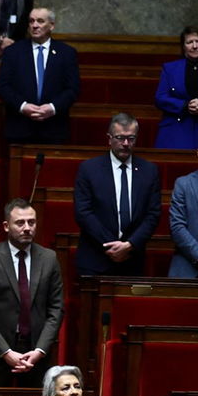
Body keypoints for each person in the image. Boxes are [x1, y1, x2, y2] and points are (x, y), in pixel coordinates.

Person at [0, 199, 63, 386]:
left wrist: (39, 351)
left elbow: (56, 309)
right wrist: (6, 352)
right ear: (6, 226)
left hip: (37, 354)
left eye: (31, 222)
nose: (27, 228)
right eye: (20, 223)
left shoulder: (49, 258)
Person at [73, 112, 162, 278]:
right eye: (120, 138)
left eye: (131, 138)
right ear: (109, 138)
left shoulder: (149, 171)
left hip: (133, 260)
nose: (126, 143)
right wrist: (113, 246)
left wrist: (129, 245)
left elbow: (153, 214)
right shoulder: (89, 169)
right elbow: (83, 212)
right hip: (95, 259)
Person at [0, 7, 79, 146]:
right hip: (19, 128)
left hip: (54, 128)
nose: (35, 25)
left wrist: (52, 108)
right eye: (31, 21)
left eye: (40, 21)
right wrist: (23, 106)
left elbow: (73, 89)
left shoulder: (67, 53)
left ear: (51, 25)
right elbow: (3, 87)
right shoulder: (13, 52)